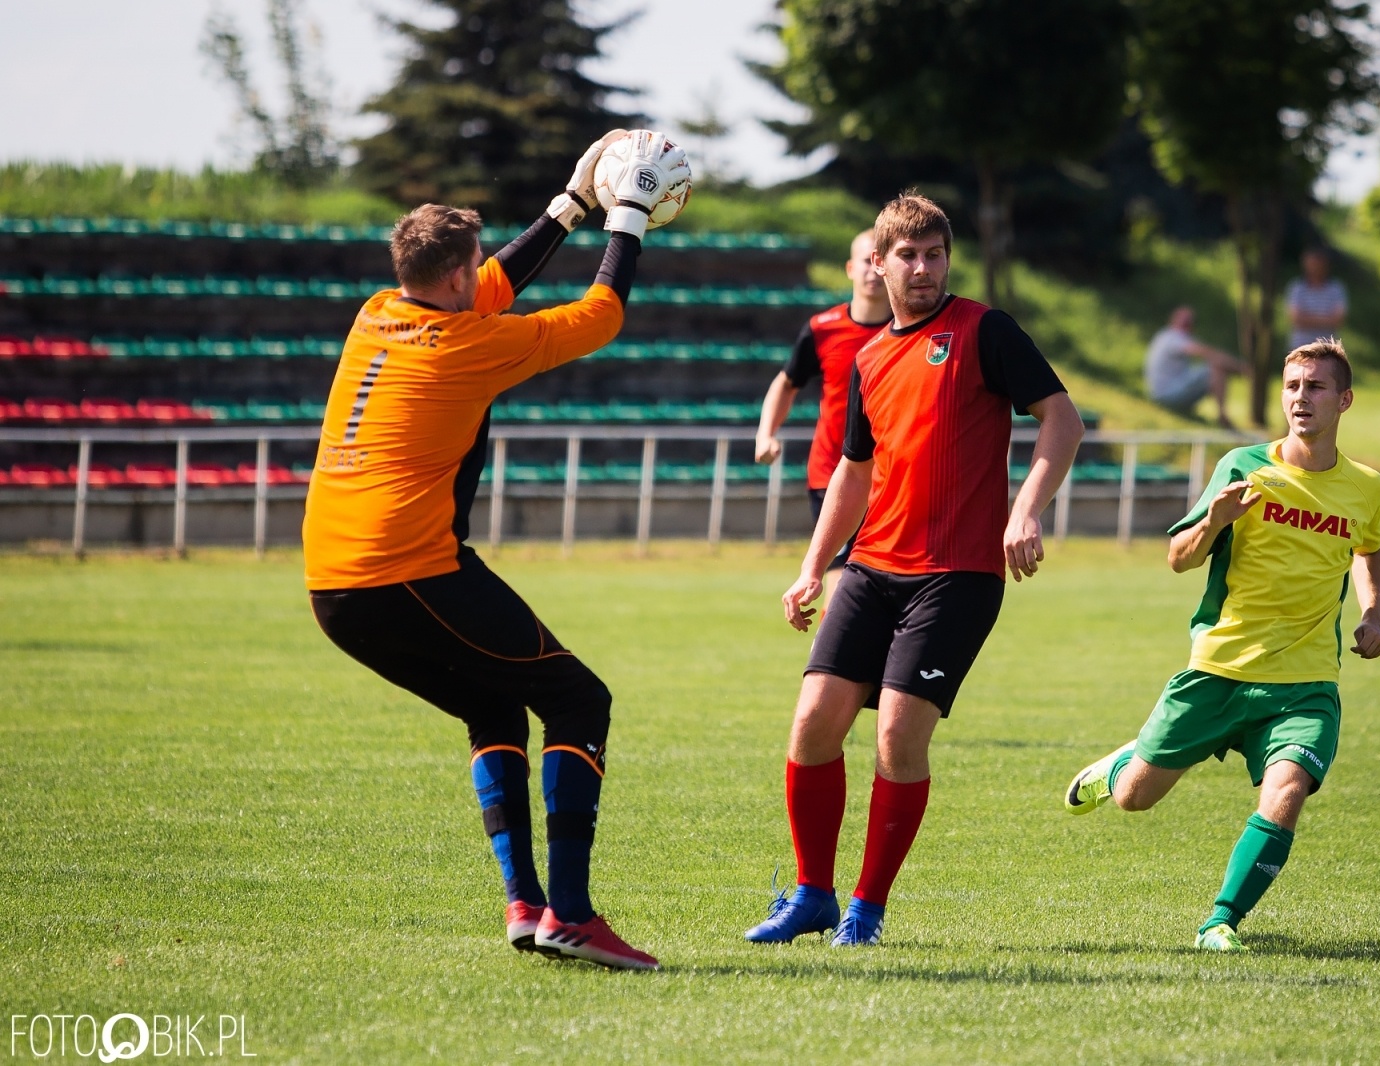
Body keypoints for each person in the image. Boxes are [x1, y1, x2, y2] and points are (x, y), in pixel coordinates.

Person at [302, 130, 691, 971]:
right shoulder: (467, 348)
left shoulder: (379, 313)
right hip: (409, 573)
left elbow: (490, 282)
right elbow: (601, 316)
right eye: (470, 269)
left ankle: (525, 905)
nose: (482, 280)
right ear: (451, 280)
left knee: (495, 705)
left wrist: (570, 205)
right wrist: (627, 213)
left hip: (334, 590)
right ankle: (573, 916)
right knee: (581, 701)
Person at [744, 192, 1085, 947]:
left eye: (935, 255)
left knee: (898, 735)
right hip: (869, 567)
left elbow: (1061, 417)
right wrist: (812, 567)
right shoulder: (868, 355)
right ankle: (812, 894)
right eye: (908, 255)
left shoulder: (984, 330)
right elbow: (852, 474)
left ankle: (865, 907)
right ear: (878, 263)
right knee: (812, 725)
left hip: (957, 574)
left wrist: (1025, 509)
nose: (923, 268)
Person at [1065, 339, 1380, 954]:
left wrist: (1372, 613)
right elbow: (1179, 558)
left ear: (1343, 400)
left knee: (1288, 790)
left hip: (1305, 683)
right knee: (1135, 799)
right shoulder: (1244, 467)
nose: (1301, 399)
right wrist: (1213, 520)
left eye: (1316, 387)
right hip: (1219, 670)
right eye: (1293, 387)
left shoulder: (1366, 487)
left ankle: (1221, 921)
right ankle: (1122, 764)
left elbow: (1368, 548)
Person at [754, 230, 892, 601]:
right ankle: (837, 654)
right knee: (840, 577)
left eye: (880, 262)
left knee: (883, 578)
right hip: (833, 473)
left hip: (894, 475)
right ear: (850, 268)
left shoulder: (910, 331)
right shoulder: (823, 328)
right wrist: (766, 433)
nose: (872, 271)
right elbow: (786, 383)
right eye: (866, 261)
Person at [1144, 306, 1246, 428]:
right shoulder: (1173, 337)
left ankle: (1223, 416)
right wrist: (1242, 368)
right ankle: (1223, 417)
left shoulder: (1166, 335)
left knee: (1212, 368)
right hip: (1166, 395)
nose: (1187, 323)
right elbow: (1206, 353)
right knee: (1215, 369)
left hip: (1164, 392)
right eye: (1185, 320)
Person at [1286, 247, 1347, 352]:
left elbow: (1338, 320)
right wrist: (1326, 319)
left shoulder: (1336, 288)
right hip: (1300, 347)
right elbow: (1296, 318)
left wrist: (1308, 318)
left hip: (1328, 350)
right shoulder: (1297, 287)